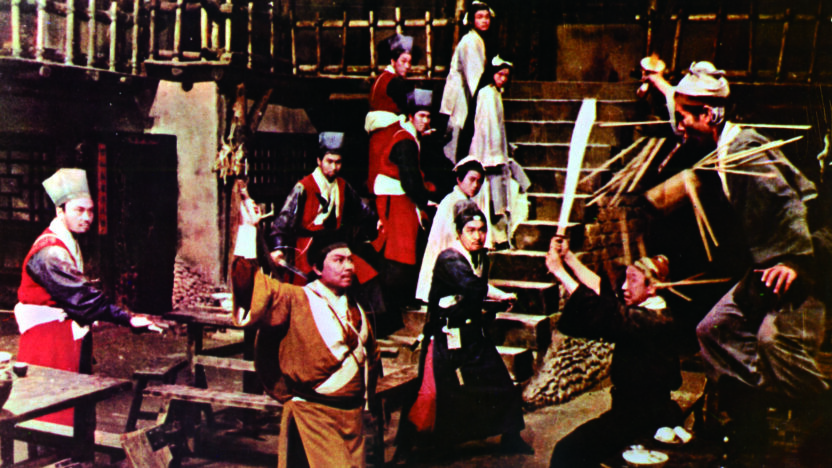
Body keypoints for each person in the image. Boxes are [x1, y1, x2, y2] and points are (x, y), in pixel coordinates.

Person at [666, 62, 829, 457]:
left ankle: (823, 415)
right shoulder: (723, 148)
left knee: (773, 342)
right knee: (714, 330)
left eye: (684, 117)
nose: (679, 127)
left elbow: (792, 206)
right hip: (768, 265)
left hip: (804, 263)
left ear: (709, 115)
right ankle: (749, 422)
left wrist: (795, 263)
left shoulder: (745, 152)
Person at [232, 197, 379, 468]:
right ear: (318, 268)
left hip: (353, 419)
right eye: (338, 260)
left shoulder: (357, 306)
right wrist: (248, 230)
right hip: (314, 416)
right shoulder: (295, 299)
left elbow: (371, 359)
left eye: (350, 260)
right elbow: (247, 287)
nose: (348, 266)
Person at [14, 168, 161, 426]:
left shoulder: (66, 242)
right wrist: (127, 318)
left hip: (63, 335)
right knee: (50, 412)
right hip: (48, 340)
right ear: (60, 211)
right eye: (79, 210)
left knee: (72, 410)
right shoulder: (50, 253)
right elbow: (83, 298)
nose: (87, 217)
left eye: (90, 211)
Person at [396, 201, 531, 461]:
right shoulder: (449, 259)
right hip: (446, 336)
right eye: (471, 230)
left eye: (481, 230)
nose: (478, 236)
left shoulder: (479, 257)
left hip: (472, 334)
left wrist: (501, 297)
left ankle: (511, 436)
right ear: (459, 233)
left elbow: (479, 287)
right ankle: (410, 447)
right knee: (434, 394)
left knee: (500, 382)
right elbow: (471, 287)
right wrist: (497, 300)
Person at [545, 235, 682, 467]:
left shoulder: (653, 321)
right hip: (636, 411)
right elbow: (602, 292)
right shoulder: (648, 311)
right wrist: (568, 258)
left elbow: (602, 313)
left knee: (567, 452)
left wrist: (559, 272)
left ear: (652, 288)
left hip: (642, 416)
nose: (624, 287)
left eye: (633, 281)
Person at [268, 132, 379, 287]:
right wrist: (278, 248)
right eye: (329, 161)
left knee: (365, 274)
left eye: (338, 162)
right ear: (319, 161)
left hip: (336, 244)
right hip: (308, 248)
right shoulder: (304, 187)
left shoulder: (343, 186)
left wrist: (377, 221)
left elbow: (363, 211)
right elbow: (282, 222)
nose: (334, 167)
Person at [371, 89, 440, 330]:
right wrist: (425, 200)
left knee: (406, 249)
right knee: (398, 251)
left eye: (428, 116)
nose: (425, 121)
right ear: (411, 116)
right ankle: (393, 309)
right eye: (421, 116)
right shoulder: (405, 141)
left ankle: (403, 301)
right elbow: (410, 180)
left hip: (402, 197)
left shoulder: (409, 137)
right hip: (396, 198)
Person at [462, 55, 529, 247]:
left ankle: (500, 237)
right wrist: (492, 157)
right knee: (491, 199)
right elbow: (486, 128)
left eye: (506, 76)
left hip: (497, 153)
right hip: (487, 154)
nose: (503, 79)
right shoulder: (486, 94)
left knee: (502, 197)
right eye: (500, 75)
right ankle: (492, 237)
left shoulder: (496, 94)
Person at [415, 156, 484, 303]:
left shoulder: (464, 201)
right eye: (471, 180)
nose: (475, 185)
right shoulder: (453, 202)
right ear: (459, 180)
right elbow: (449, 236)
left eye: (479, 181)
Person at [439, 0, 496, 163]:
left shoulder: (478, 40)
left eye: (486, 17)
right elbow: (474, 78)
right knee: (457, 143)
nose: (484, 21)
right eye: (480, 17)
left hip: (467, 95)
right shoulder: (470, 42)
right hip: (461, 98)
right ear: (471, 20)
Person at [366, 34, 414, 192]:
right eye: (403, 61)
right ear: (393, 61)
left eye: (409, 62)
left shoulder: (381, 78)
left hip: (377, 137)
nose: (407, 66)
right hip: (388, 135)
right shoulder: (395, 82)